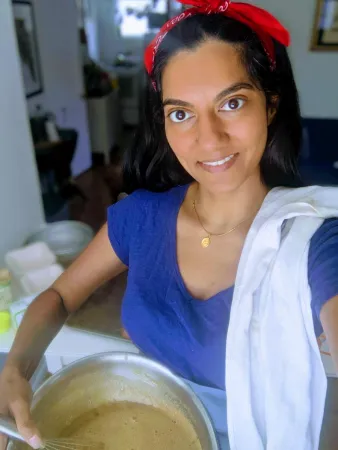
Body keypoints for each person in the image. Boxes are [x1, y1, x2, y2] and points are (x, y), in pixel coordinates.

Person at [1, 0, 338, 449]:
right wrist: (14, 369)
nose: (209, 138)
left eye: (232, 103)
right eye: (181, 113)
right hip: (144, 417)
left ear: (271, 106)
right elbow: (61, 296)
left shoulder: (312, 240)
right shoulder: (142, 216)